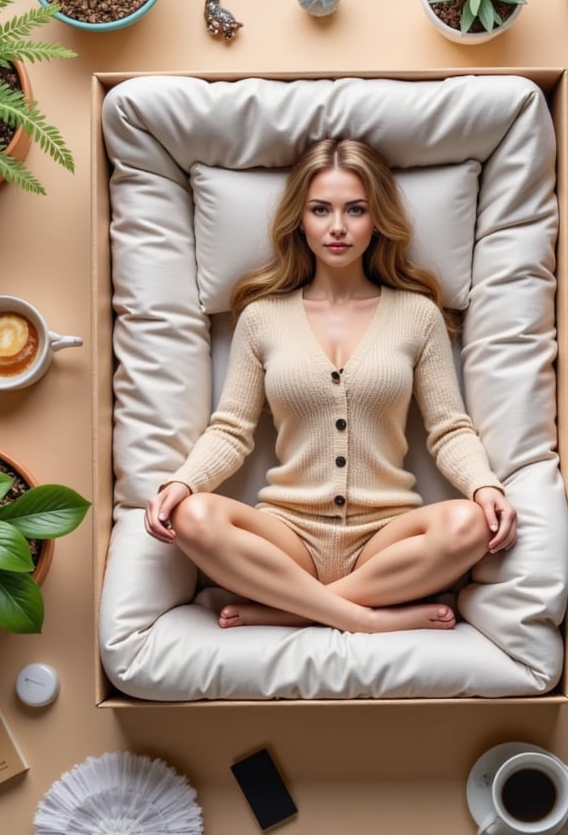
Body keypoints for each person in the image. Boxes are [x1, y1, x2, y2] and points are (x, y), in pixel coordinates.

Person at [145, 138, 516, 633]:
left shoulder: (417, 315)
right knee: (193, 516)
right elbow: (231, 430)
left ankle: (289, 612)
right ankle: (366, 620)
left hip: (387, 537)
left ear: (377, 219)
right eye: (321, 209)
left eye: (355, 210)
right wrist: (182, 482)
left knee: (471, 523)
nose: (337, 227)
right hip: (286, 536)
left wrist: (484, 484)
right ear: (300, 219)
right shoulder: (261, 318)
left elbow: (449, 428)